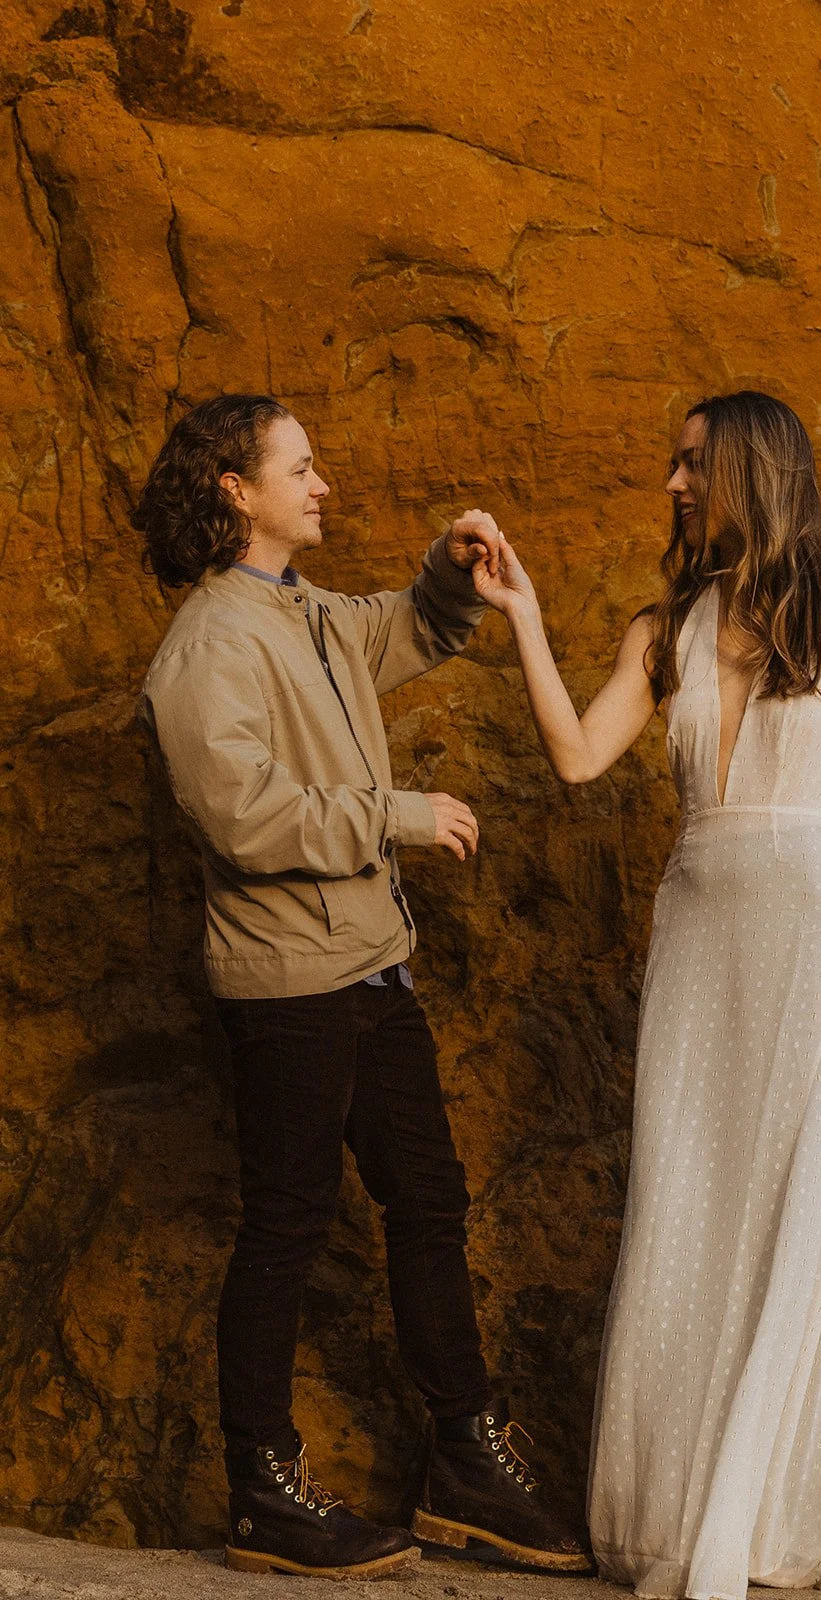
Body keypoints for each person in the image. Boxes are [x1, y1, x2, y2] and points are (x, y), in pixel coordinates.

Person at [459, 390, 821, 1597]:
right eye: (673, 463)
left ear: (751, 469)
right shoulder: (664, 624)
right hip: (698, 935)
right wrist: (520, 616)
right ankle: (690, 1513)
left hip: (813, 936)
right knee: (689, 1204)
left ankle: (772, 1520)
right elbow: (577, 756)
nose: (672, 484)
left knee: (803, 1208)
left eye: (691, 463)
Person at [135, 394, 590, 1581]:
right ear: (237, 489)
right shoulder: (205, 647)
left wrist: (450, 577)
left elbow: (396, 632)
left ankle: (466, 1462)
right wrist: (400, 813)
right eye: (302, 465)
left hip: (371, 964)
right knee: (284, 1226)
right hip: (287, 982)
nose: (322, 481)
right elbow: (243, 816)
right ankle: (264, 1492)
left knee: (428, 1202)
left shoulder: (305, 612)